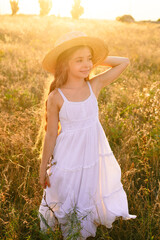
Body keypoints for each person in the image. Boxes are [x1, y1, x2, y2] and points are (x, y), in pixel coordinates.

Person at [38, 31, 136, 239]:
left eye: (89, 59)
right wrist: (43, 167)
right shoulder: (56, 97)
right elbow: (50, 136)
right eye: (79, 60)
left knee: (87, 192)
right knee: (68, 193)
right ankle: (69, 231)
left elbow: (123, 62)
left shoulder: (94, 86)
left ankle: (82, 230)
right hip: (67, 157)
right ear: (65, 64)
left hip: (91, 155)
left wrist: (95, 59)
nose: (87, 64)